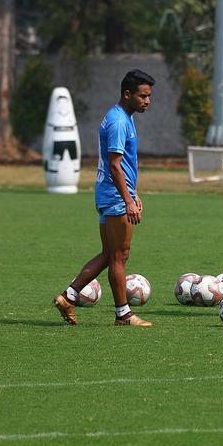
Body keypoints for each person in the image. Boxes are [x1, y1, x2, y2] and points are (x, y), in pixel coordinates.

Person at [53, 69, 156, 327]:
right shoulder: (119, 121)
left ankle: (69, 296)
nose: (147, 101)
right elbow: (114, 164)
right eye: (143, 96)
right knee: (120, 255)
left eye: (149, 96)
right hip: (114, 195)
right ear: (127, 94)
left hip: (111, 193)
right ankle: (123, 314)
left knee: (110, 253)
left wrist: (134, 193)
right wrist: (128, 200)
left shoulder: (122, 116)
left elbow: (123, 165)